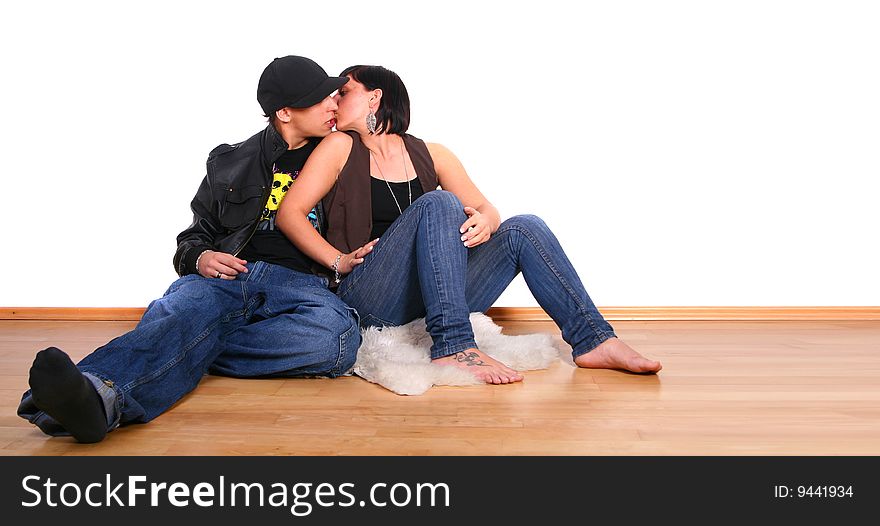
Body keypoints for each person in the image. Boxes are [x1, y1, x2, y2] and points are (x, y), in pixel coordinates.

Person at [17, 56, 368, 443]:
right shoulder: (230, 161)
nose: (333, 104)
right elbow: (193, 237)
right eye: (320, 99)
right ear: (284, 112)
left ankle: (178, 339)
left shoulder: (344, 154)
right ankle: (96, 397)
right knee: (193, 305)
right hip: (233, 274)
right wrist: (200, 258)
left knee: (336, 340)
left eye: (333, 96)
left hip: (304, 285)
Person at [276, 65, 662, 385]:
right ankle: (454, 345)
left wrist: (486, 221)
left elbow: (483, 206)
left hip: (433, 294)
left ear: (374, 97)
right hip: (371, 297)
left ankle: (593, 340)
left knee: (525, 227)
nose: (334, 101)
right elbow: (289, 213)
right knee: (441, 202)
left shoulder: (433, 153)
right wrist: (339, 260)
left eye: (344, 91)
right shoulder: (339, 146)